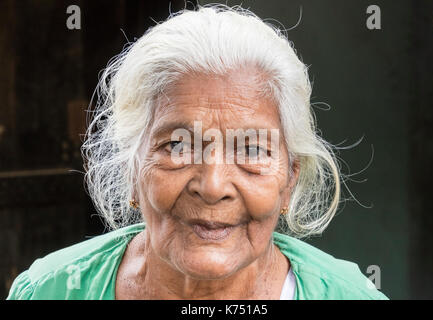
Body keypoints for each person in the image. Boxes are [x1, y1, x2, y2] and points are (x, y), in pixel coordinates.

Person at [7, 5, 388, 300]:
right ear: (132, 170)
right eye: (177, 146)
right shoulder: (51, 289)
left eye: (252, 149)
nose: (212, 185)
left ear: (289, 178)